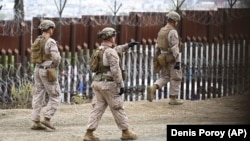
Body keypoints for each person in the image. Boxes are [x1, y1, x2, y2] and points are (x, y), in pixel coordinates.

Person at [83, 27, 138, 141]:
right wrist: (121, 85)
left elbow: (116, 49)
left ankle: (89, 133)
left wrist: (127, 45)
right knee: (117, 107)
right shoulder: (111, 52)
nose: (115, 37)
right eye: (114, 35)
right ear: (111, 37)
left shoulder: (100, 49)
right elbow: (115, 70)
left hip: (97, 83)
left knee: (97, 108)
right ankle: (125, 132)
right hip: (109, 84)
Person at [147, 11, 183, 105]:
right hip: (172, 58)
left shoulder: (162, 30)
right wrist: (178, 61)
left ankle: (154, 87)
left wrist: (156, 59)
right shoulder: (173, 32)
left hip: (162, 58)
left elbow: (157, 46)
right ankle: (173, 98)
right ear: (174, 21)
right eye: (177, 21)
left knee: (164, 77)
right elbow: (175, 47)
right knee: (176, 77)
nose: (177, 23)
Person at [31, 19, 61, 130]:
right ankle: (47, 118)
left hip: (37, 69)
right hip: (47, 70)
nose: (53, 30)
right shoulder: (51, 41)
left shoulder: (37, 40)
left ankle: (35, 121)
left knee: (38, 95)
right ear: (49, 29)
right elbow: (56, 58)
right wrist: (54, 65)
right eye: (52, 28)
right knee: (55, 95)